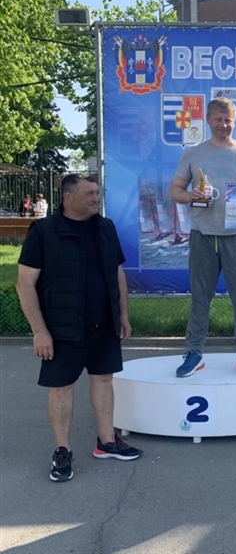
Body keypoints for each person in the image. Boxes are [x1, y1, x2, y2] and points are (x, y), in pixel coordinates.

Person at [16, 174, 141, 482]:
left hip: (104, 323)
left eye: (97, 193)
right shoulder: (43, 231)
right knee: (62, 388)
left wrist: (122, 315)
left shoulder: (106, 227)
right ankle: (62, 450)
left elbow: (117, 273)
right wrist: (39, 331)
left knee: (104, 380)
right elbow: (25, 284)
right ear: (68, 198)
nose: (96, 198)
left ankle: (106, 441)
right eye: (89, 194)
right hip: (63, 328)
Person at [170, 97, 236, 378]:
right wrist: (190, 195)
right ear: (208, 120)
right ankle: (194, 352)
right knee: (200, 297)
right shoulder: (193, 153)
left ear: (234, 122)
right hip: (203, 235)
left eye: (228, 120)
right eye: (218, 119)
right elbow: (175, 190)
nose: (223, 125)